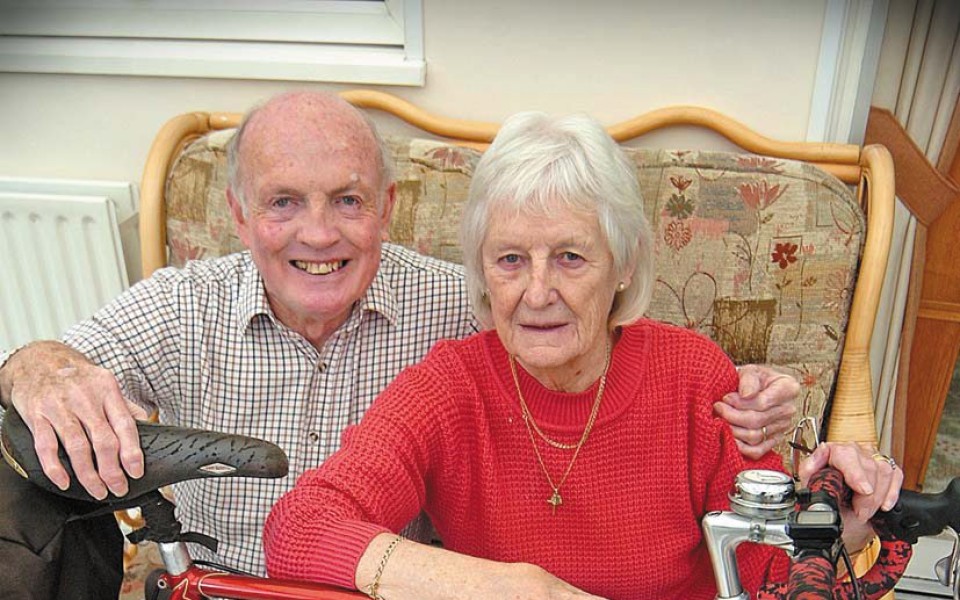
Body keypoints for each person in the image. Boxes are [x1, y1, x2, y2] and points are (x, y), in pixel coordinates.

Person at [0, 92, 796, 579]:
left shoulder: (477, 313)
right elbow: (46, 366)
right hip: (221, 577)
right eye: (283, 203)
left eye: (347, 201)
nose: (319, 234)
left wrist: (761, 410)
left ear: (387, 206)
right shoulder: (184, 308)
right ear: (238, 215)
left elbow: (780, 552)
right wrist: (32, 365)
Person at [263, 111, 903, 599]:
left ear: (622, 264)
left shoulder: (692, 379)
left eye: (570, 257)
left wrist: (844, 526)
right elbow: (299, 529)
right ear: (484, 273)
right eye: (510, 259)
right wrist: (514, 588)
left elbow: (772, 577)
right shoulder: (447, 388)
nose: (538, 293)